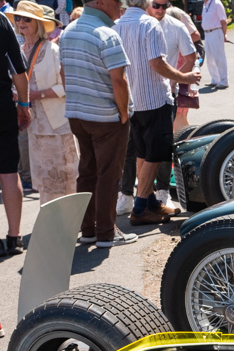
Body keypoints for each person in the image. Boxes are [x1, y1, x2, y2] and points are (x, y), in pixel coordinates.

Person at [116, 0, 200, 226]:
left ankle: (150, 202)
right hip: (153, 99)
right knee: (155, 155)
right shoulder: (149, 25)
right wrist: (184, 78)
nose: (160, 8)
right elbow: (157, 63)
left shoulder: (117, 25)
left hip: (132, 100)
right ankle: (141, 206)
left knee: (143, 153)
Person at [61, 0, 133, 248]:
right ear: (102, 2)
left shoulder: (68, 31)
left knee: (88, 172)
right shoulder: (106, 34)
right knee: (108, 175)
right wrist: (123, 113)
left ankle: (88, 230)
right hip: (104, 116)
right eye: (117, 2)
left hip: (77, 114)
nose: (120, 6)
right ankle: (105, 234)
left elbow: (64, 72)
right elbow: (119, 81)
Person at [7, 1, 78, 212]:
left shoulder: (52, 49)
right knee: (44, 179)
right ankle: (51, 221)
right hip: (34, 125)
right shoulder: (19, 51)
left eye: (26, 19)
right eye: (18, 19)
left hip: (57, 124)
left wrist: (38, 94)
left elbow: (66, 86)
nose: (21, 23)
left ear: (39, 23)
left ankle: (69, 220)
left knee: (65, 176)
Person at [0, 9, 29, 258]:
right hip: (1, 107)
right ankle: (14, 237)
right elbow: (19, 70)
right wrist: (24, 104)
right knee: (9, 171)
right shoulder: (1, 23)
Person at [166, 4, 199, 130]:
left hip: (177, 82)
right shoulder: (181, 37)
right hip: (184, 81)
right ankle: (190, 140)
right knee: (182, 116)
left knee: (178, 117)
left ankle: (182, 143)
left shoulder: (174, 40)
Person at [202, 0, 227, 88]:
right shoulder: (204, 4)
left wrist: (224, 35)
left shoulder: (216, 3)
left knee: (219, 57)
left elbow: (223, 21)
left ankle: (224, 81)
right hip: (207, 34)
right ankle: (215, 79)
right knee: (209, 58)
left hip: (216, 32)